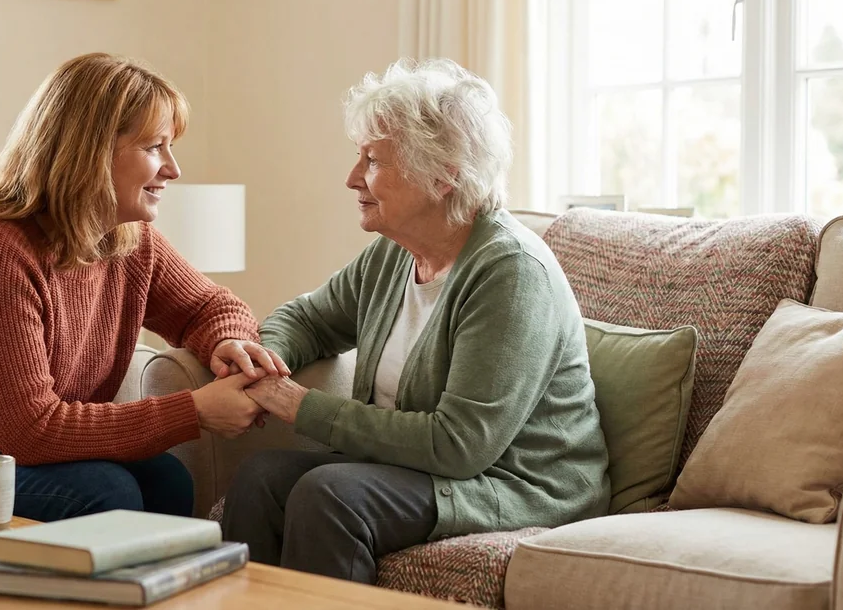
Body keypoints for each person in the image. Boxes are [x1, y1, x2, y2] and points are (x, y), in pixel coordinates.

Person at [0, 53, 288, 523]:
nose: (173, 169)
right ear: (92, 151)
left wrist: (228, 340)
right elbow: (32, 431)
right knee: (102, 491)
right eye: (155, 147)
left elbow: (208, 305)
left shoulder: (126, 238)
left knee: (166, 478)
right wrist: (192, 410)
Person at [220, 58, 610, 584]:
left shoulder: (511, 273)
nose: (352, 177)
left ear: (443, 174)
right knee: (259, 478)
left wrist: (298, 404)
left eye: (373, 161)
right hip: (420, 471)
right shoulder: (394, 255)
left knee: (330, 495)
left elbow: (459, 445)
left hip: (514, 483)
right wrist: (263, 362)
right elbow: (305, 319)